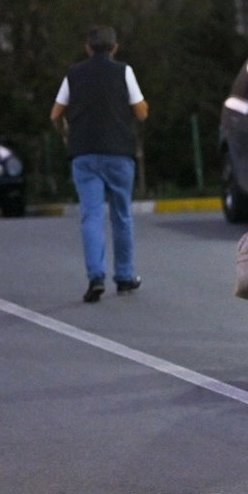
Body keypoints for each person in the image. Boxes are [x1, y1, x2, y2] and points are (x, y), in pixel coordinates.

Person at [50, 26, 150, 303]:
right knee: (121, 215)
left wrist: (66, 131)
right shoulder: (123, 72)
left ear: (88, 47)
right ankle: (125, 277)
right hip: (119, 152)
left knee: (91, 216)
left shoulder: (74, 74)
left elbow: (56, 113)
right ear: (114, 48)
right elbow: (141, 112)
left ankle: (96, 277)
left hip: (83, 154)